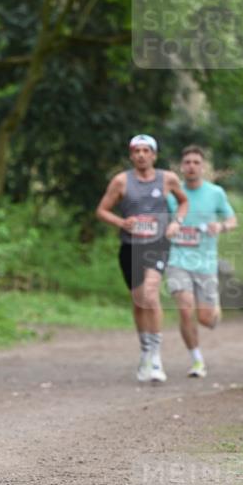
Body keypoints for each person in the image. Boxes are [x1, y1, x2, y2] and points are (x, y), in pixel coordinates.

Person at [96, 134, 188, 383]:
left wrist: (176, 223)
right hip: (130, 247)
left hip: (157, 244)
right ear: (131, 155)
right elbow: (102, 210)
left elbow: (183, 202)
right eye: (137, 151)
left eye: (146, 151)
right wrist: (121, 222)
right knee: (139, 301)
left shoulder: (167, 178)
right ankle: (145, 350)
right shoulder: (120, 181)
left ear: (154, 155)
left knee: (150, 294)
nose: (141, 155)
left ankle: (157, 357)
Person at [166, 145, 237, 377]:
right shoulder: (172, 195)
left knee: (206, 319)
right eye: (187, 162)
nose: (191, 166)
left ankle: (214, 309)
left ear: (203, 167)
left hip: (205, 263)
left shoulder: (215, 193)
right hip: (178, 260)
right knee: (186, 310)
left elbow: (232, 220)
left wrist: (221, 226)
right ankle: (197, 360)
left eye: (196, 162)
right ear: (181, 167)